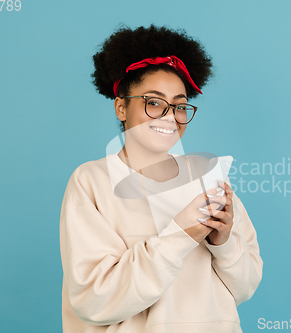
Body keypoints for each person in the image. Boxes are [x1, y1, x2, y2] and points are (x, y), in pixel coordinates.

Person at [59, 24, 263, 333]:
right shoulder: (92, 181)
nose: (170, 117)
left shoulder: (207, 177)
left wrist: (224, 243)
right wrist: (180, 235)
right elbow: (94, 301)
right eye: (154, 102)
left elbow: (245, 287)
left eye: (180, 106)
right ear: (121, 107)